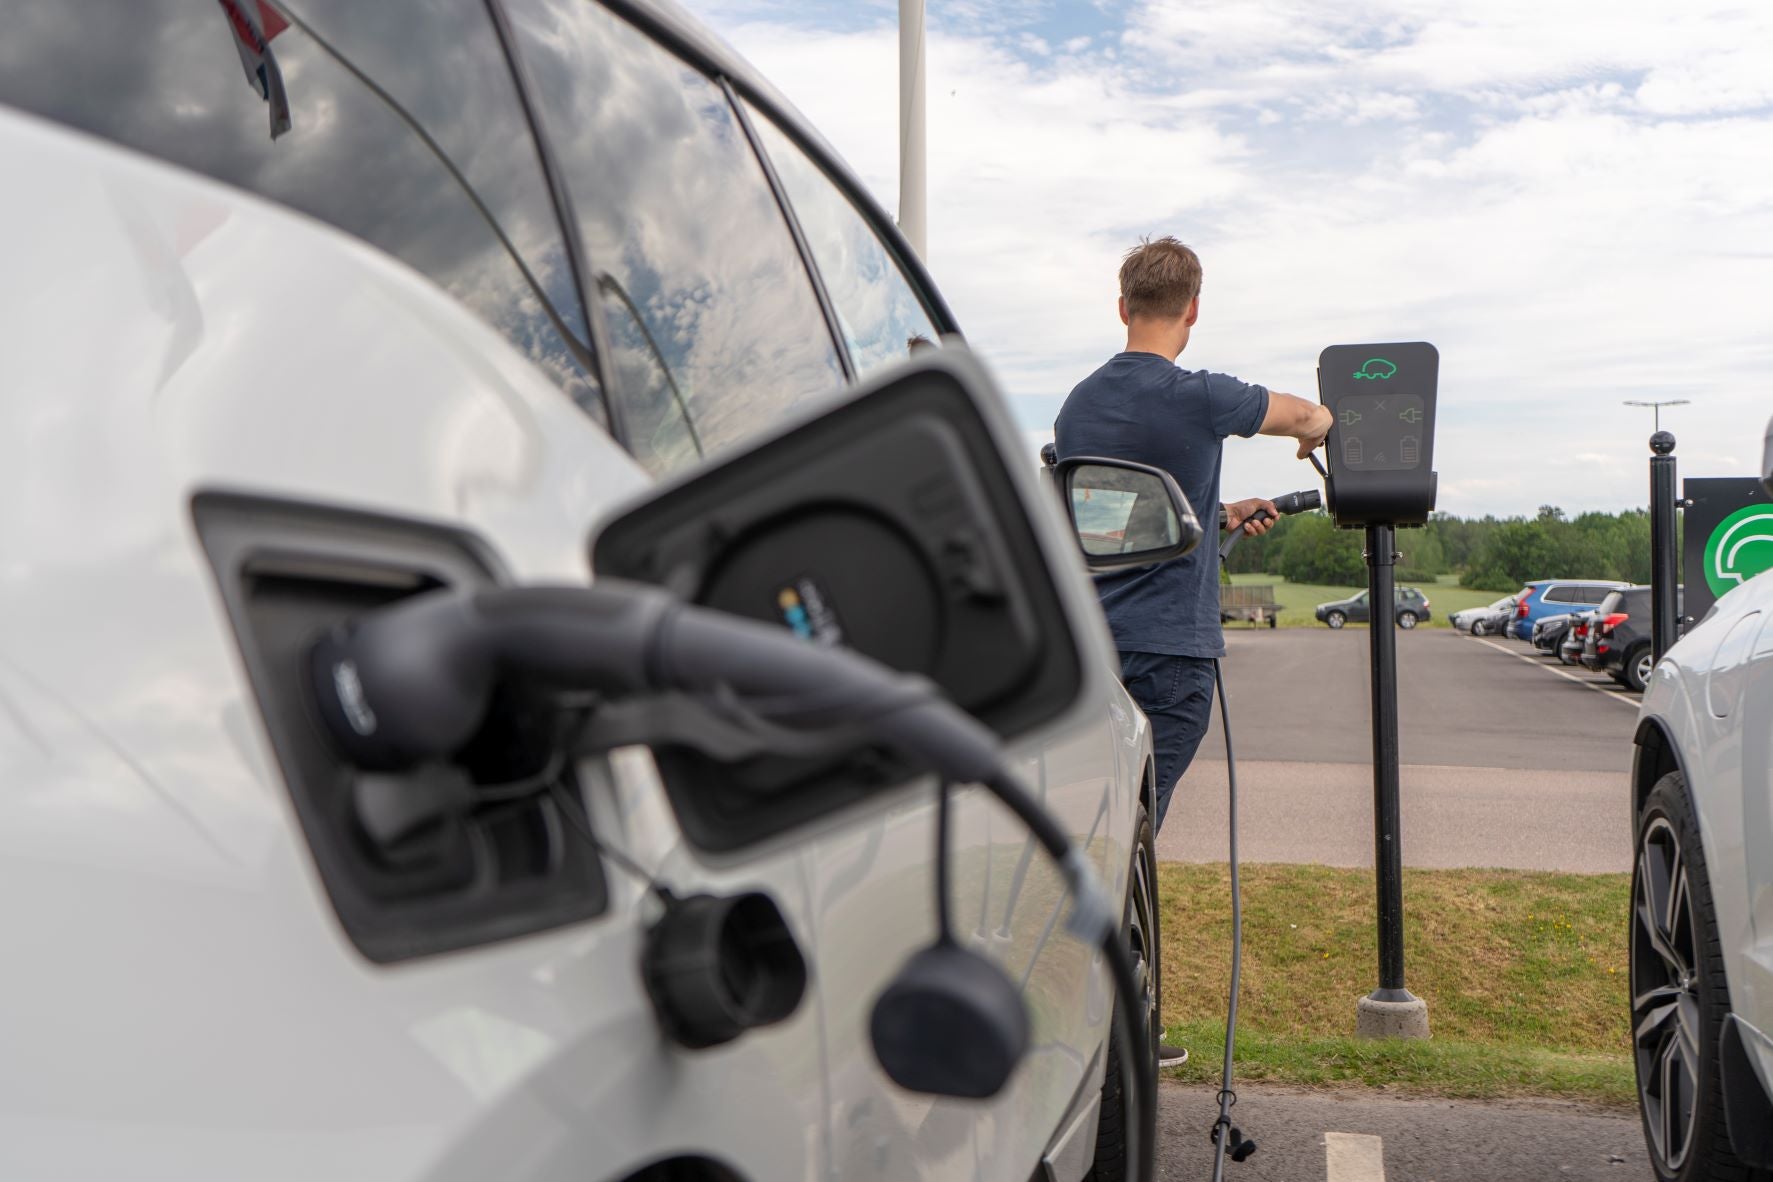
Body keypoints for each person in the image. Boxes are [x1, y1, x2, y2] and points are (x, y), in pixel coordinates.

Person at [1054, 236, 1332, 1066]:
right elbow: (1311, 415)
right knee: (1133, 837)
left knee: (1104, 830)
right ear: (1194, 309)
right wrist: (1306, 438)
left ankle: (1098, 1011)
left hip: (1095, 651)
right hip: (1170, 656)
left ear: (1121, 306)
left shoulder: (1078, 405)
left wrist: (1218, 516)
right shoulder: (1204, 395)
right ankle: (1111, 1029)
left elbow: (1112, 525)